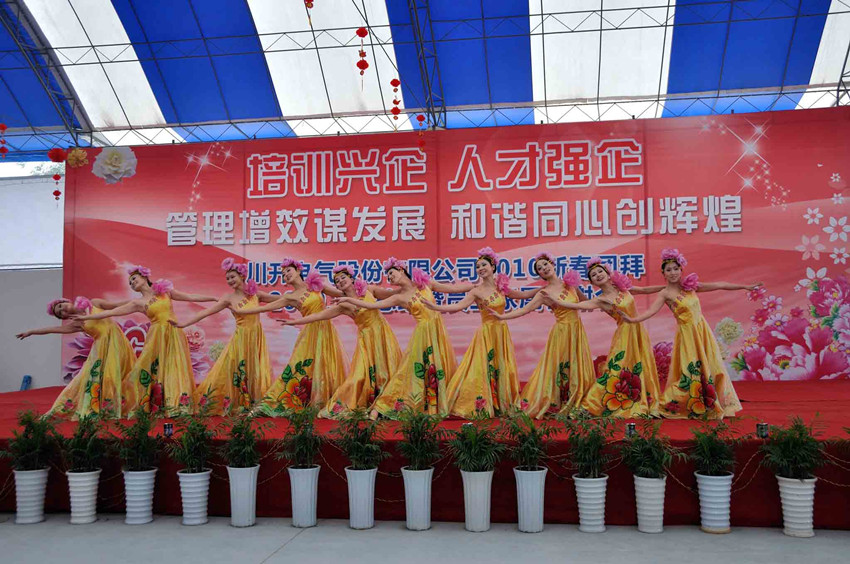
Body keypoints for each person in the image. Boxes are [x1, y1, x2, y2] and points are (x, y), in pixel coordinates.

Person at [616, 248, 759, 418]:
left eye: (676, 269)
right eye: (668, 270)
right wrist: (632, 320)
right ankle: (671, 405)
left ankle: (710, 403)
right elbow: (651, 311)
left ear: (681, 269)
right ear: (663, 273)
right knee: (690, 371)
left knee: (712, 366)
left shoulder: (690, 286)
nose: (673, 273)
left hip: (702, 331)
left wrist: (744, 286)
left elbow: (719, 285)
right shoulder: (665, 293)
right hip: (687, 336)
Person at [336, 257, 473, 417]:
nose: (390, 278)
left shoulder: (425, 283)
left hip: (437, 331)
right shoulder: (399, 297)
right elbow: (373, 305)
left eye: (392, 273)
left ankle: (436, 405)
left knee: (438, 366)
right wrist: (348, 299)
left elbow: (453, 289)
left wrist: (476, 286)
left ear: (401, 270)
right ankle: (380, 407)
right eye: (388, 277)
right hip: (422, 334)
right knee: (411, 370)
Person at [73, 265, 216, 415]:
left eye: (134, 278)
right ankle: (141, 401)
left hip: (174, 333)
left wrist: (212, 298)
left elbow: (190, 297)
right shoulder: (138, 303)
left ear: (144, 276)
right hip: (156, 336)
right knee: (150, 368)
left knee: (175, 366)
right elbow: (112, 312)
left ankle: (176, 404)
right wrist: (89, 317)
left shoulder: (164, 290)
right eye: (130, 282)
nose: (132, 283)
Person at [277, 265, 404, 417]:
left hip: (383, 335)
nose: (340, 281)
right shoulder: (343, 305)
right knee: (358, 376)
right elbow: (318, 316)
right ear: (337, 287)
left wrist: (406, 283)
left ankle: (384, 406)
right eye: (337, 281)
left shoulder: (369, 290)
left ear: (351, 278)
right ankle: (345, 406)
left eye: (343, 278)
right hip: (366, 340)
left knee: (387, 371)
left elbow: (392, 294)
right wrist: (294, 322)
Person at [426, 247, 538, 418]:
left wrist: (542, 290)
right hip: (486, 333)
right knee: (482, 368)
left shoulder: (501, 286)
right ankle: (481, 403)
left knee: (502, 367)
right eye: (478, 267)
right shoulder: (476, 291)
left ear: (493, 266)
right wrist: (436, 307)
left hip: (501, 332)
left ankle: (501, 403)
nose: (480, 269)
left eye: (484, 265)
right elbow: (458, 306)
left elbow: (522, 295)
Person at [489, 252, 597, 418]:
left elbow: (586, 303)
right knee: (560, 368)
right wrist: (502, 317)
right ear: (539, 274)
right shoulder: (544, 293)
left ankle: (580, 402)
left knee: (578, 367)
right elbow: (525, 309)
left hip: (577, 331)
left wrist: (606, 293)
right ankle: (560, 402)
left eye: (545, 264)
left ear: (552, 264)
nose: (544, 268)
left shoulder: (569, 282)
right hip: (561, 333)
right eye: (540, 268)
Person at [238, 258, 348, 414]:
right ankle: (268, 404)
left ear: (298, 270)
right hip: (310, 333)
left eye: (288, 271)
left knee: (328, 366)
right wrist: (243, 311)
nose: (286, 275)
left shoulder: (315, 284)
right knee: (299, 366)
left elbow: (341, 294)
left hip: (327, 331)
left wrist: (355, 292)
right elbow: (265, 307)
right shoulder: (290, 297)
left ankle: (327, 403)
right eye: (283, 274)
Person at [173, 258, 278, 415]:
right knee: (239, 370)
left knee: (256, 370)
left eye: (232, 277)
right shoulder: (228, 298)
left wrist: (298, 297)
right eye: (227, 278)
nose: (230, 281)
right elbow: (206, 312)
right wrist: (184, 323)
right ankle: (241, 404)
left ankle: (256, 404)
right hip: (241, 339)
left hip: (257, 337)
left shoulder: (256, 294)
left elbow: (280, 300)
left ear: (242, 276)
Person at [17, 296, 136, 419]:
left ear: (66, 301)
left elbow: (116, 305)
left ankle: (126, 406)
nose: (63, 310)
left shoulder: (94, 303)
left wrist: (138, 301)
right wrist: (31, 332)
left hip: (118, 343)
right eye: (60, 313)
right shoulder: (77, 323)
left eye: (61, 306)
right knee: (104, 378)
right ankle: (105, 409)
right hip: (101, 349)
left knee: (124, 374)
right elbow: (53, 329)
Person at [573, 257, 663, 418]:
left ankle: (647, 402)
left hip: (638, 332)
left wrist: (668, 287)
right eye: (593, 275)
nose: (598, 275)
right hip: (624, 334)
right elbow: (578, 305)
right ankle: (590, 406)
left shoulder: (622, 286)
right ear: (592, 282)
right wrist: (556, 301)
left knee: (642, 366)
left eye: (600, 271)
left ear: (608, 273)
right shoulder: (600, 299)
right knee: (615, 368)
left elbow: (644, 290)